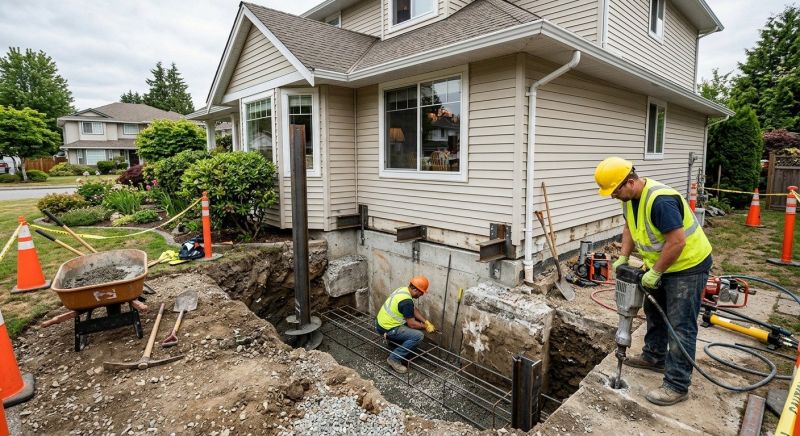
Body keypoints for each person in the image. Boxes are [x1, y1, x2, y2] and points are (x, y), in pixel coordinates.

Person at [594, 157, 713, 406]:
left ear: (630, 181)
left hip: (687, 266)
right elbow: (629, 228)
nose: (614, 196)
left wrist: (656, 271)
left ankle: (677, 385)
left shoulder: (661, 201)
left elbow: (677, 242)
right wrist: (624, 256)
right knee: (654, 312)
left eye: (615, 190)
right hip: (661, 264)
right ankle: (654, 357)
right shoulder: (629, 200)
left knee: (680, 326)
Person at [375, 276, 436, 374]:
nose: (421, 295)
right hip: (387, 329)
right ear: (416, 290)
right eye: (422, 292)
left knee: (413, 325)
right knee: (418, 336)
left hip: (381, 323)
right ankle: (394, 358)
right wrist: (426, 327)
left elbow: (413, 309)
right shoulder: (406, 301)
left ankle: (393, 343)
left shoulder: (403, 290)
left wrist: (425, 321)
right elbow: (412, 324)